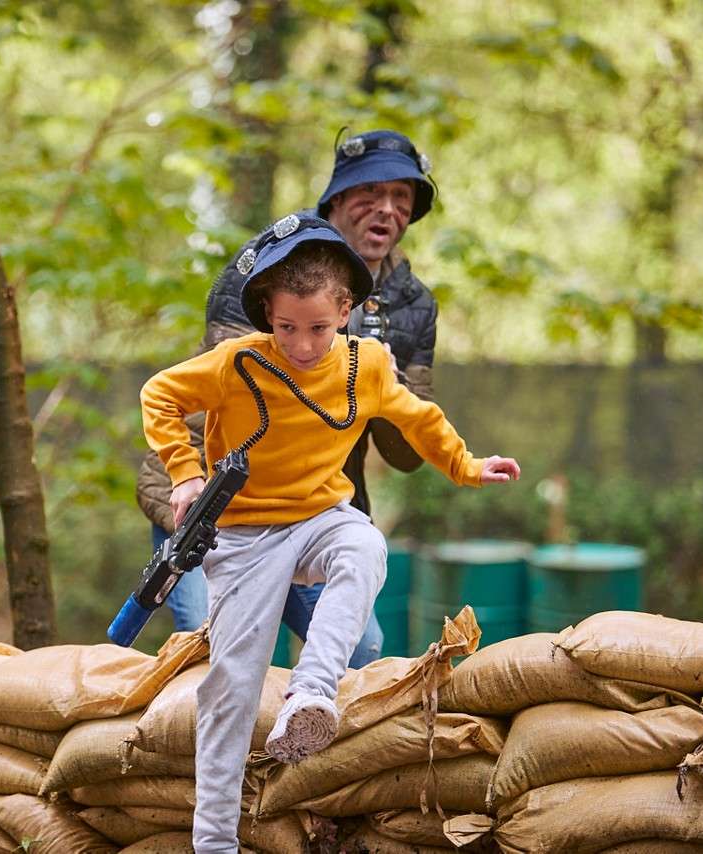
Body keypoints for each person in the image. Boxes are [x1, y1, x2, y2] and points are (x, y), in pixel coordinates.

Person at [139, 214, 520, 853]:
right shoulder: (236, 363)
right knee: (230, 689)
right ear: (267, 315)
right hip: (243, 533)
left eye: (318, 327)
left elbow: (419, 418)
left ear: (346, 310)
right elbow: (159, 394)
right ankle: (214, 844)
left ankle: (311, 694)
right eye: (286, 327)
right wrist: (184, 476)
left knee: (366, 545)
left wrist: (467, 466)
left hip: (320, 519)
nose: (303, 343)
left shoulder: (367, 364)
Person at [136, 128, 440, 666]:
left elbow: (408, 454)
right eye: (370, 194)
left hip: (311, 507)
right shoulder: (268, 265)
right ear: (337, 200)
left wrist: (386, 386)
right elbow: (242, 392)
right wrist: (187, 479)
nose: (386, 209)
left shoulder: (412, 305)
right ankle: (216, 749)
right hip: (213, 503)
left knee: (362, 650)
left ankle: (299, 741)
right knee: (222, 650)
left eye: (402, 198)